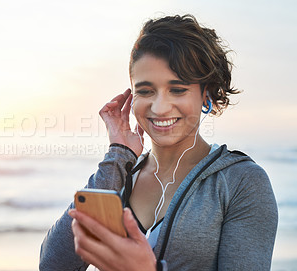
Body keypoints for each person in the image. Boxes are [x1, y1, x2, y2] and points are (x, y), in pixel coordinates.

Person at [39, 14, 278, 271]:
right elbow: (54, 265)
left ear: (205, 94)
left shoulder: (242, 182)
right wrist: (118, 155)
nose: (160, 107)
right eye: (145, 91)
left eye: (177, 89)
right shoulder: (119, 176)